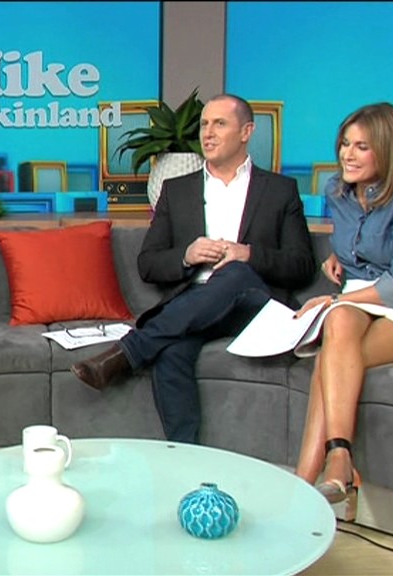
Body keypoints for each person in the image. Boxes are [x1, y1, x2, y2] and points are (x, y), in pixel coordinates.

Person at [71, 94, 316, 444]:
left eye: (220, 124)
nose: (208, 133)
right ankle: (184, 454)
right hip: (195, 305)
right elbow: (148, 263)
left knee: (235, 274)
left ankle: (130, 351)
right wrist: (186, 256)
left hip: (252, 305)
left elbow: (302, 265)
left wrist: (248, 254)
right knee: (171, 350)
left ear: (246, 132)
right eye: (204, 124)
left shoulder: (280, 190)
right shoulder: (177, 190)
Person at [291, 102, 393, 516]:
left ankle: (304, 482)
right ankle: (336, 463)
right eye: (345, 144)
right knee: (340, 321)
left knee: (331, 355)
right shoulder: (339, 190)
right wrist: (339, 257)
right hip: (361, 300)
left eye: (361, 147)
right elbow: (359, 243)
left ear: (388, 149)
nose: (347, 154)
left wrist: (336, 298)